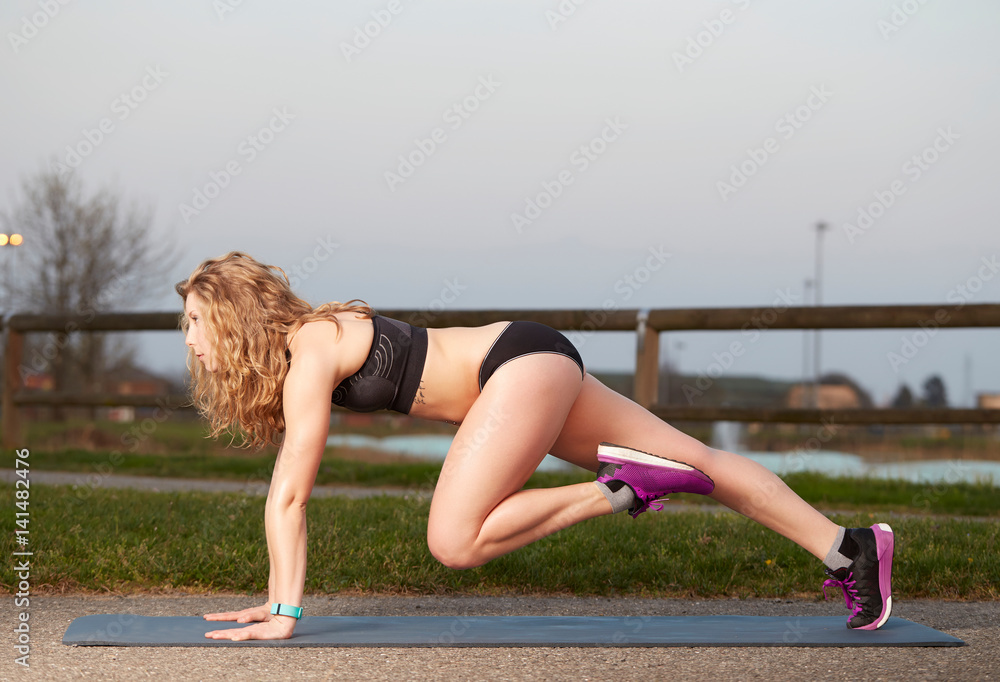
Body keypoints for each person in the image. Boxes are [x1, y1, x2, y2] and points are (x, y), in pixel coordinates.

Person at [176, 251, 894, 642]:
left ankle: (621, 488)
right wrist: (274, 600)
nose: (188, 340)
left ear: (234, 317)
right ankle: (850, 548)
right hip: (532, 360)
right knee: (699, 465)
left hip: (514, 372)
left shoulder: (310, 347)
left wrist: (285, 612)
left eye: (194, 322)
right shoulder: (313, 345)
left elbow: (292, 493)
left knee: (454, 540)